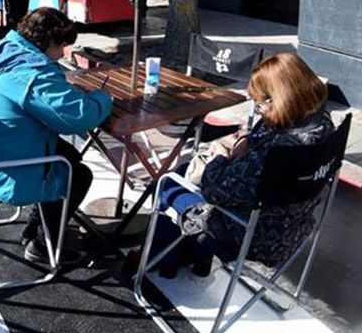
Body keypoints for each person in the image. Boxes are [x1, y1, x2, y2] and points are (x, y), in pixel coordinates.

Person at [143, 53, 336, 278]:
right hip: (293, 228)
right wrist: (245, 142)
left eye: (260, 104)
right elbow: (259, 142)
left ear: (278, 100)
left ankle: (163, 263)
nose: (258, 109)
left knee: (167, 184)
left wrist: (220, 157)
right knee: (183, 173)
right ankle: (197, 257)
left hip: (250, 235)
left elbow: (214, 191)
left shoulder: (278, 152)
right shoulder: (321, 124)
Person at [0, 8, 112, 264]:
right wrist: (102, 97)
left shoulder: (7, 53)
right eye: (62, 45)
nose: (63, 53)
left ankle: (35, 225)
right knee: (79, 175)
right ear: (49, 41)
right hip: (2, 172)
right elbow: (78, 118)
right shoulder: (32, 73)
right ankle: (43, 245)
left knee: (69, 155)